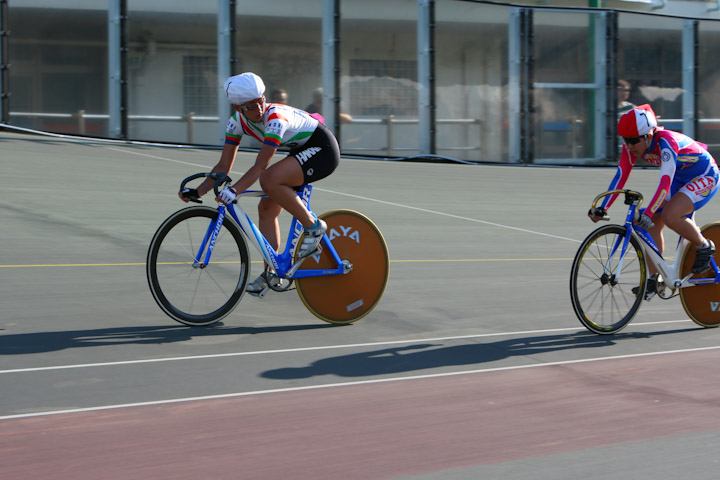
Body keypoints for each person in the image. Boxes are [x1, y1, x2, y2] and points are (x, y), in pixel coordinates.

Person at [179, 72, 340, 294]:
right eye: (252, 107)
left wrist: (234, 190)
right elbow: (223, 165)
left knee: (269, 180)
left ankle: (313, 227)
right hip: (300, 150)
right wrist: (199, 190)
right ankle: (272, 272)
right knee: (265, 209)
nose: (260, 109)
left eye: (261, 101)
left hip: (322, 150)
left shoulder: (275, 118)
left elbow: (261, 165)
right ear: (238, 109)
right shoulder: (236, 123)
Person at [589, 104, 718, 294]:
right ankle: (655, 278)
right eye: (626, 141)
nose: (630, 146)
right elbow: (620, 177)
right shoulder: (632, 148)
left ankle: (704, 246)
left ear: (648, 135)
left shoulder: (666, 143)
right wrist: (603, 207)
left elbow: (665, 182)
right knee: (647, 224)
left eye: (633, 140)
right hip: (680, 177)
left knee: (669, 216)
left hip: (704, 175)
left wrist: (649, 212)